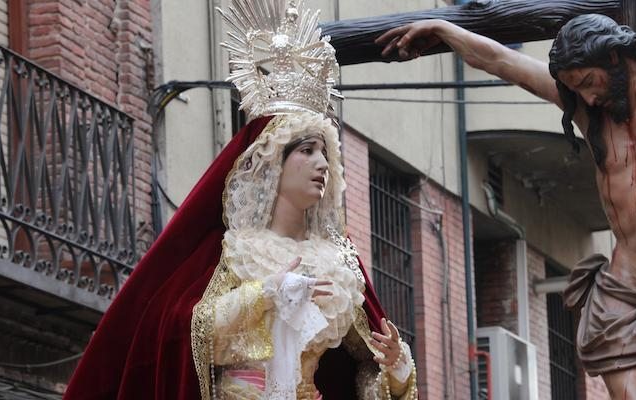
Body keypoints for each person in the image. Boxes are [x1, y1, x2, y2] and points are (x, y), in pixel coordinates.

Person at [377, 1, 636, 399]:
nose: (590, 97)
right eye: (577, 89)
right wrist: (446, 29)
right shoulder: (585, 109)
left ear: (613, 59)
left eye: (590, 82)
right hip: (624, 289)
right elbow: (505, 62)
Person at [63, 1, 418, 399]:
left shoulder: (338, 261)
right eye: (305, 150)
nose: (322, 163)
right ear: (271, 165)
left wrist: (397, 370)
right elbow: (181, 332)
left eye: (324, 151)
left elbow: (364, 369)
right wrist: (266, 293)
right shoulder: (232, 250)